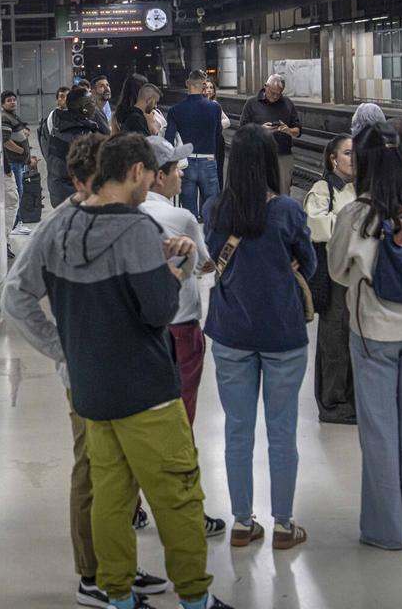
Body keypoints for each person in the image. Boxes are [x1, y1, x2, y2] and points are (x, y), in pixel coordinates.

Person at [3, 133, 232, 609]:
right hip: (146, 391)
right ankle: (195, 597)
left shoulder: (61, 227)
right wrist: (177, 268)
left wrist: (64, 349)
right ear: (132, 172)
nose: (150, 184)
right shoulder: (137, 231)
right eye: (149, 174)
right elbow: (157, 312)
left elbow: (19, 295)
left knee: (109, 494)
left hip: (90, 390)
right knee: (178, 494)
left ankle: (118, 594)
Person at [328, 121, 402, 551]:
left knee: (379, 431)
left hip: (375, 331)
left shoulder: (358, 213)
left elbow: (339, 271)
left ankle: (385, 530)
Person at [202, 124, 315, 551]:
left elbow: (214, 259)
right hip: (282, 334)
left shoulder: (215, 209)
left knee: (237, 430)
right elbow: (309, 264)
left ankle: (243, 523)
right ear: (270, 162)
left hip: (232, 331)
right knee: (283, 431)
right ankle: (284, 525)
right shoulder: (287, 210)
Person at [140, 135, 228, 539]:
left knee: (139, 420)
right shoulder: (181, 220)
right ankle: (185, 510)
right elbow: (204, 264)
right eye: (176, 169)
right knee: (180, 420)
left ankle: (132, 506)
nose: (182, 174)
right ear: (157, 177)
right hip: (180, 326)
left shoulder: (121, 213)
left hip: (140, 330)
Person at [302, 134, 357, 424]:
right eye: (348, 153)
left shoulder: (364, 188)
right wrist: (354, 223)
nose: (354, 158)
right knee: (334, 340)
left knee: (356, 339)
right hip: (335, 277)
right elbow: (316, 225)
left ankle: (353, 398)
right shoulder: (324, 189)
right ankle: (332, 402)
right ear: (333, 159)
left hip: (361, 277)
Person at [165, 70, 223, 221]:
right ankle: (209, 242)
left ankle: (192, 242)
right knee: (211, 213)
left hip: (186, 163)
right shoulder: (215, 108)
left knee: (189, 215)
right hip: (208, 161)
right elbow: (218, 134)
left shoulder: (175, 110)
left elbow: (169, 140)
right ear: (204, 85)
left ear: (187, 83)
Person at [239, 75, 301, 195]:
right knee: (259, 192)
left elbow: (298, 130)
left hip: (282, 156)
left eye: (278, 94)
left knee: (283, 192)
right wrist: (260, 130)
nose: (275, 96)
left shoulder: (287, 103)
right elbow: (242, 130)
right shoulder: (251, 103)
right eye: (272, 92)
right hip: (258, 156)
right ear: (265, 87)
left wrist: (289, 130)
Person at [45, 86, 102, 208]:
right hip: (72, 195)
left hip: (57, 190)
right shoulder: (82, 135)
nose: (95, 105)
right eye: (92, 102)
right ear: (84, 109)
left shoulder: (59, 126)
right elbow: (89, 171)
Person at [0, 90, 35, 236]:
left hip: (18, 162)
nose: (13, 102)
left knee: (18, 192)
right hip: (13, 161)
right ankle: (16, 224)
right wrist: (21, 151)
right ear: (2, 104)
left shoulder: (12, 116)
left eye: (14, 99)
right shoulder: (4, 117)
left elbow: (17, 131)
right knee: (16, 193)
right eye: (9, 100)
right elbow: (5, 140)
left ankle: (17, 222)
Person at [202, 79, 230, 187]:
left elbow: (227, 121)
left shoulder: (215, 104)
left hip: (218, 141)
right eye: (206, 88)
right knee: (207, 170)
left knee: (218, 169)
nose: (208, 90)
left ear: (214, 91)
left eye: (211, 88)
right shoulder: (199, 105)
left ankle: (218, 196)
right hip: (206, 143)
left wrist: (214, 126)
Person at [38, 85, 71, 153]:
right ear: (57, 100)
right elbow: (49, 139)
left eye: (68, 96)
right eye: (62, 96)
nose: (65, 99)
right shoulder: (53, 116)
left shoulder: (76, 114)